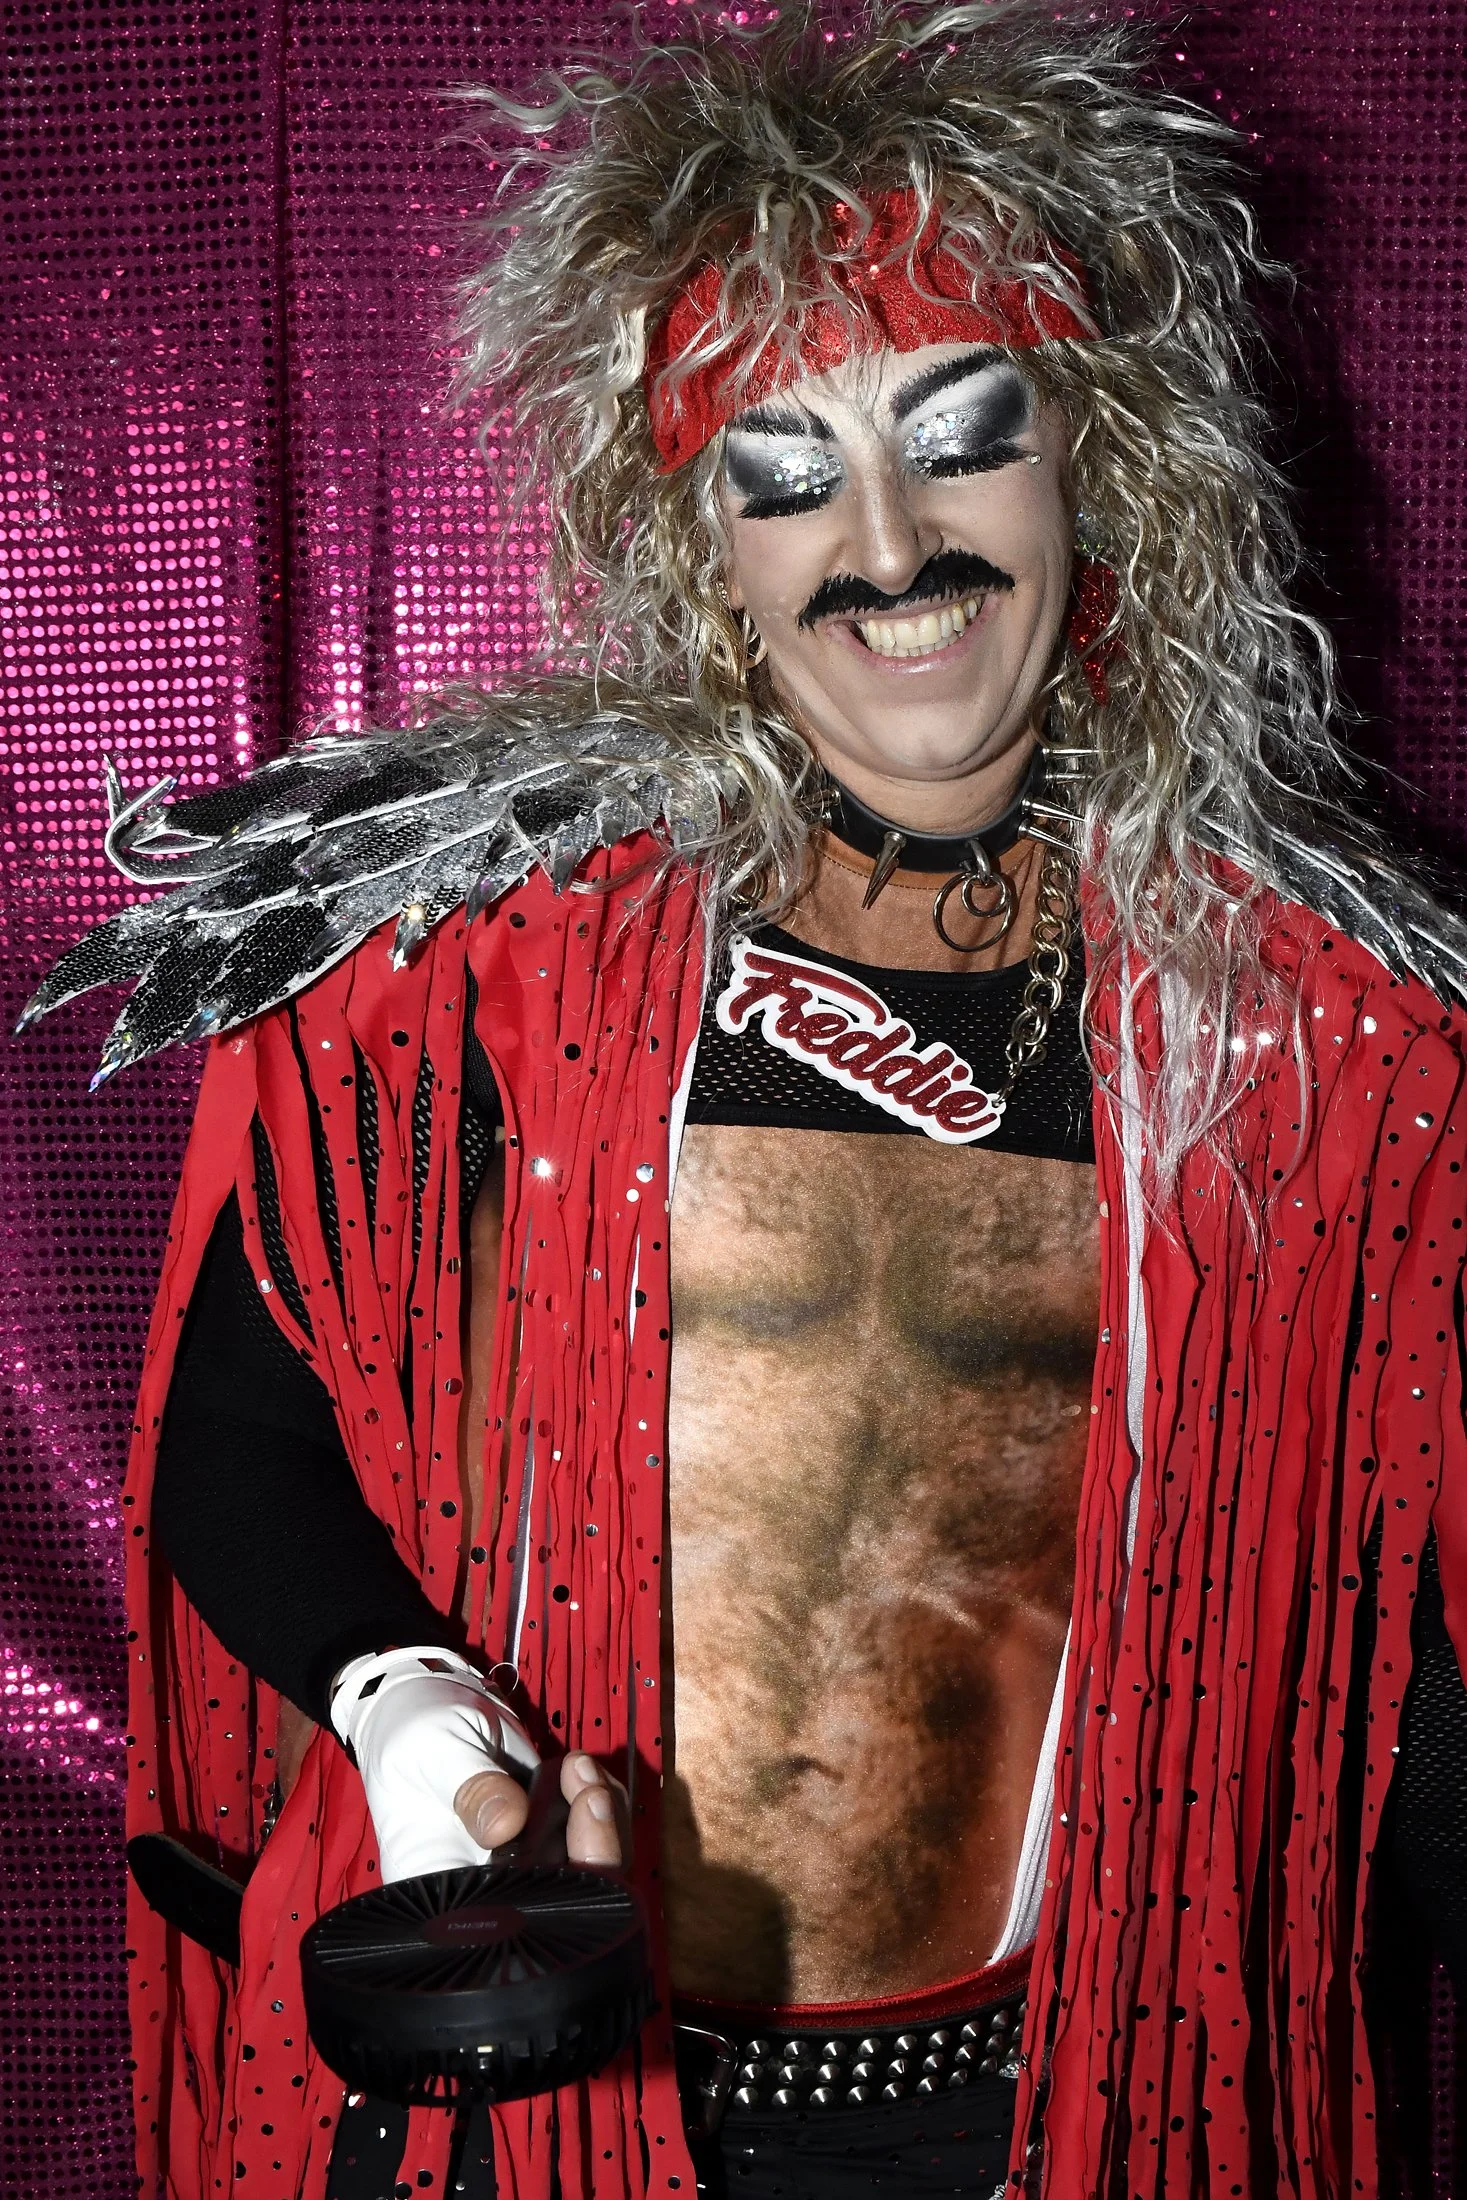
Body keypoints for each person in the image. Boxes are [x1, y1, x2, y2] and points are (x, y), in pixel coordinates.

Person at [24, 5, 1467, 2196]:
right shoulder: (469, 981)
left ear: (1103, 457)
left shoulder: (1316, 1050)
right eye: (783, 472)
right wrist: (407, 1706)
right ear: (705, 548)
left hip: (1058, 2100)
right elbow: (245, 1424)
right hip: (551, 2082)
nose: (888, 545)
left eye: (962, 436)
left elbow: (1407, 1659)